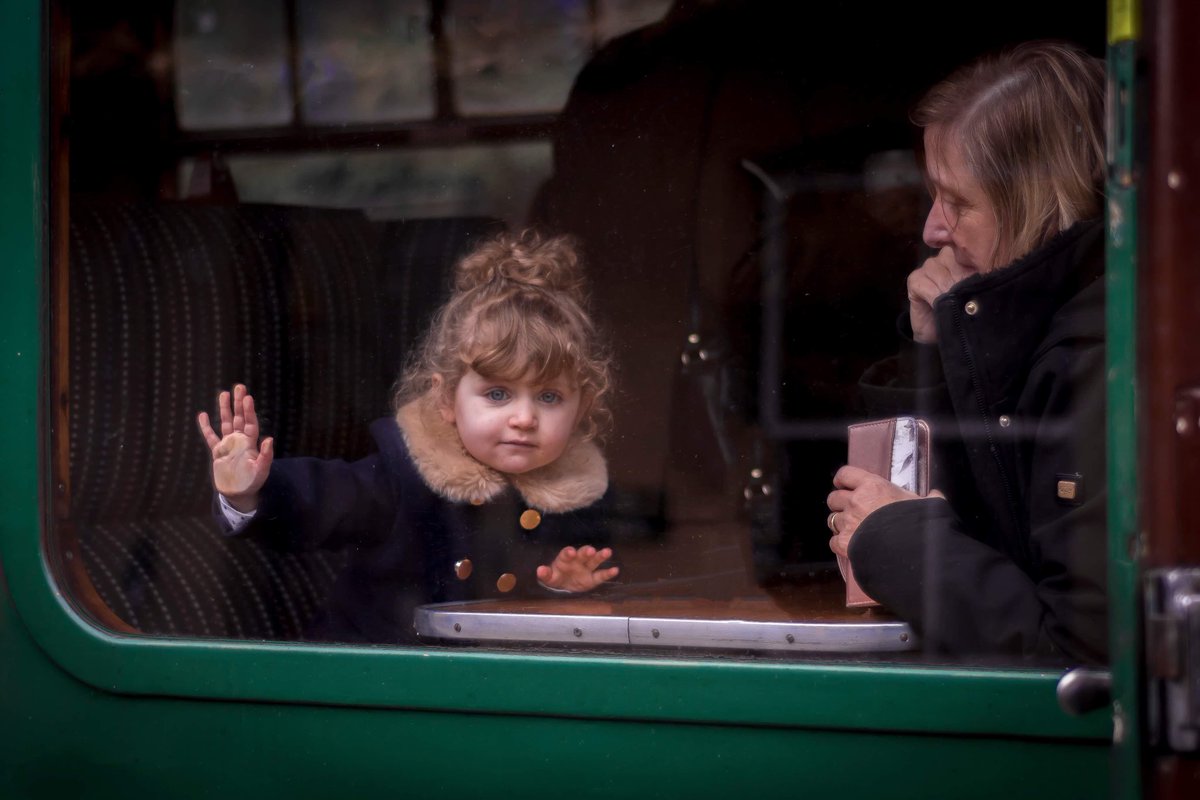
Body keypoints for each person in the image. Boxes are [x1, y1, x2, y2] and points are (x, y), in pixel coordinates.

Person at [824, 41, 1107, 663]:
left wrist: (898, 540)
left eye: (958, 201)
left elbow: (1074, 651)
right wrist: (932, 353)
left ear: (1040, 200)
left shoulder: (1103, 360)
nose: (932, 229)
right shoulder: (1012, 324)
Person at [196, 231, 620, 644]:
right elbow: (325, 497)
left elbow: (539, 605)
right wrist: (251, 492)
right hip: (382, 684)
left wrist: (565, 589)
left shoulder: (578, 495)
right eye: (497, 394)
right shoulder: (403, 474)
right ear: (446, 399)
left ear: (581, 408)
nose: (525, 418)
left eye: (549, 396)